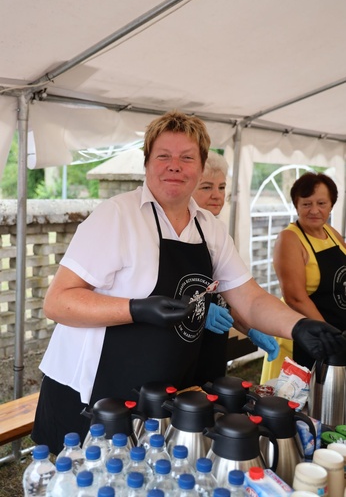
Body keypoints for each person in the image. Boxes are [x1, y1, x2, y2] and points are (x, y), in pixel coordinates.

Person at [31, 111, 346, 455]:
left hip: (161, 393)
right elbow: (58, 302)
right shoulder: (116, 216)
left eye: (186, 157)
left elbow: (249, 299)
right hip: (90, 392)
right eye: (163, 156)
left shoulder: (208, 228)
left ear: (200, 165)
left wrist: (299, 326)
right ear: (147, 162)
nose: (174, 166)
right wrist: (135, 309)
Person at [192, 151, 279, 383]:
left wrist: (250, 329)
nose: (216, 195)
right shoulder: (178, 234)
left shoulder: (220, 234)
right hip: (183, 347)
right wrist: (196, 310)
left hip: (213, 346)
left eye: (221, 187)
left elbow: (231, 297)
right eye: (207, 187)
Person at [261, 171, 346, 381]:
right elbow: (295, 297)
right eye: (306, 204)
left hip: (333, 332)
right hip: (304, 336)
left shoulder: (332, 233)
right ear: (296, 205)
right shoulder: (290, 239)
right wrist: (329, 333)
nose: (314, 210)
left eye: (321, 203)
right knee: (298, 405)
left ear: (332, 205)